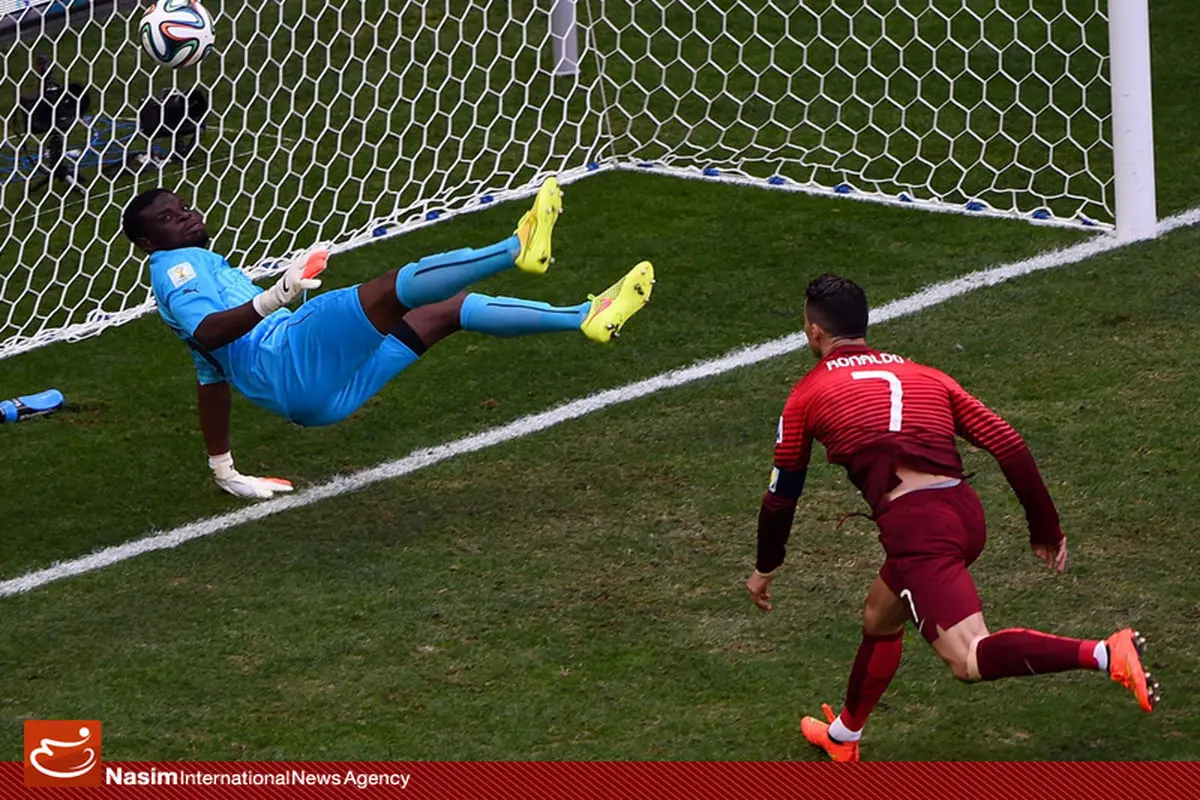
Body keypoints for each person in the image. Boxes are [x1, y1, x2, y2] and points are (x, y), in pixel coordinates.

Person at [744, 273, 1158, 762]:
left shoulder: (808, 395)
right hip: (962, 511)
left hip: (920, 530)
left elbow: (782, 496)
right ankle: (843, 736)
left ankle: (1107, 653)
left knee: (969, 658)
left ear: (815, 332)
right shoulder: (925, 375)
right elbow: (1008, 443)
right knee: (880, 615)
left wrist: (766, 566)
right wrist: (1045, 527)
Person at [122, 178, 653, 499]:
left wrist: (224, 470)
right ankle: (516, 246)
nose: (186, 216)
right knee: (390, 290)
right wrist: (278, 295)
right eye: (169, 218)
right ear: (147, 242)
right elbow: (209, 329)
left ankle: (585, 315)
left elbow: (210, 377)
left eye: (184, 207)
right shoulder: (177, 268)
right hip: (290, 360)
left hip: (312, 401)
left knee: (445, 311)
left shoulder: (195, 270)